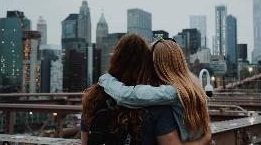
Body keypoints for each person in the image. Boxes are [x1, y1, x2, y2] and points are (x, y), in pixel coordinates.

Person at [81, 34, 209, 145]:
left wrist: (105, 79)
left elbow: (126, 96)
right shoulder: (192, 85)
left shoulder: (170, 92)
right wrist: (206, 138)